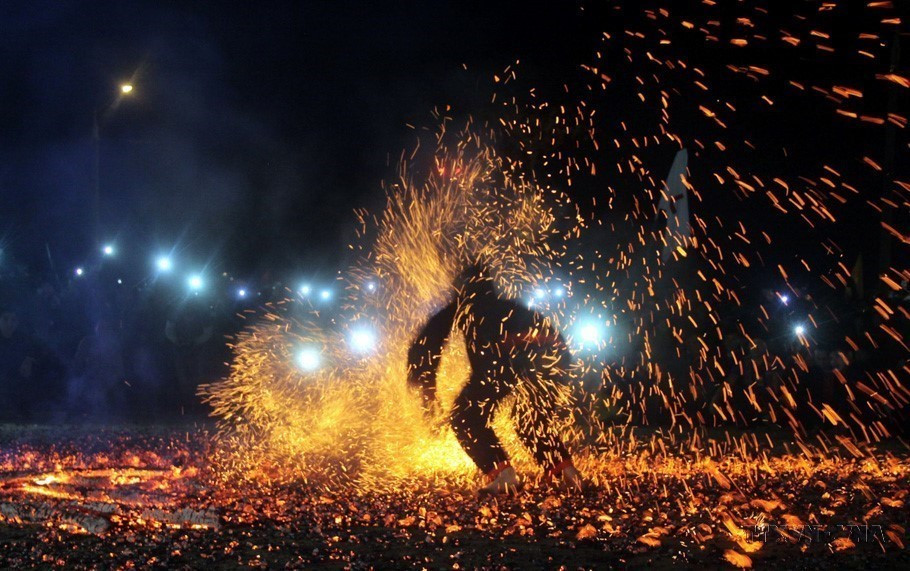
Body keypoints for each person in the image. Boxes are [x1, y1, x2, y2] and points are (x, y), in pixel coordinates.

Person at [407, 262, 582, 494]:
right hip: (553, 360)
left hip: (506, 359)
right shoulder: (507, 307)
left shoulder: (467, 306)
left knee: (466, 418)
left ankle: (504, 475)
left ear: (462, 289)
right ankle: (567, 473)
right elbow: (553, 339)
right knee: (530, 421)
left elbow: (429, 342)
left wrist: (425, 389)